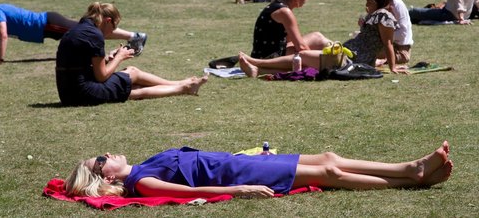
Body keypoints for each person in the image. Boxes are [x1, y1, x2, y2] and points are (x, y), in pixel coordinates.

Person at [63, 141, 452, 197]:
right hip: (241, 177)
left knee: (328, 159)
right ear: (105, 177)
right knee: (328, 176)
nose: (106, 155)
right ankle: (409, 179)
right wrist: (239, 191)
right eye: (100, 161)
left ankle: (409, 168)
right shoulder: (142, 182)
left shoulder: (142, 164)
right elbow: (196, 192)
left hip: (244, 162)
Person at [55, 2, 208, 106]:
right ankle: (184, 87)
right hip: (83, 94)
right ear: (108, 21)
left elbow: (82, 66)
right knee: (133, 76)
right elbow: (101, 76)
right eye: (114, 27)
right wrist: (120, 57)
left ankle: (182, 84)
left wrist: (110, 59)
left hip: (68, 93)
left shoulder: (78, 29)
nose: (112, 32)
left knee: (130, 82)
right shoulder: (95, 34)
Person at [240, 0, 400, 75]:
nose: (366, 5)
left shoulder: (384, 16)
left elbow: (387, 44)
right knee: (303, 63)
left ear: (379, 2)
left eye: (369, 2)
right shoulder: (377, 15)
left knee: (301, 57)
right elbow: (371, 41)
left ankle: (256, 62)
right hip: (346, 55)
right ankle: (258, 70)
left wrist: (392, 67)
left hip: (348, 62)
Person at [0, 3, 147, 64]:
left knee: (91, 31)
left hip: (48, 25)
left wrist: (0, 59)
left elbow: (3, 35)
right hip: (47, 24)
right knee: (91, 30)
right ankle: (134, 36)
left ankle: (134, 36)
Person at [249, 0, 330, 60]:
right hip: (269, 57)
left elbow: (289, 40)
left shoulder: (278, 5)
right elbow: (301, 47)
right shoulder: (285, 12)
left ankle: (339, 54)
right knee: (318, 44)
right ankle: (339, 57)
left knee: (317, 36)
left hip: (264, 54)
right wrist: (313, 59)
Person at [366, 0, 413, 64]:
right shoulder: (376, 4)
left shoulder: (396, 3)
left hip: (400, 49)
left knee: (360, 52)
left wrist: (381, 35)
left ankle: (380, 60)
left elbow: (402, 33)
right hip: (382, 44)